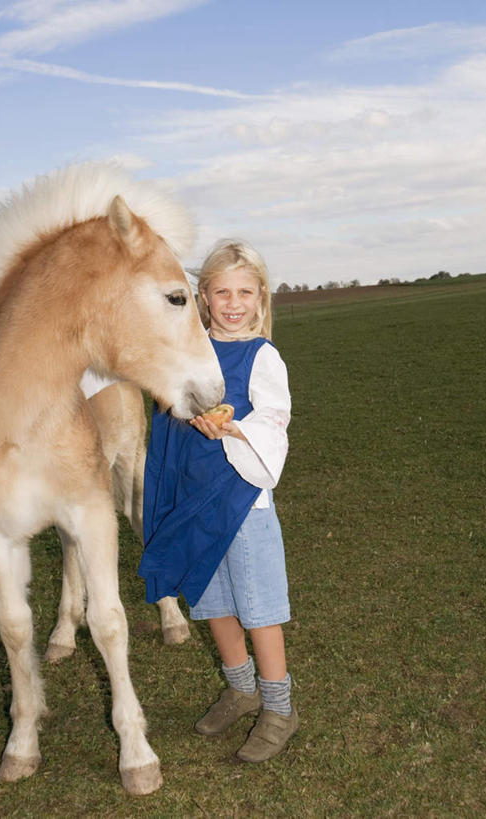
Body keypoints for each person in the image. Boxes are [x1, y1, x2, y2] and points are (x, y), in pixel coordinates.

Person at [139, 239, 297, 762]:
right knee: (212, 601)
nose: (233, 303)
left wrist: (233, 429)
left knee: (258, 609)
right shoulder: (190, 349)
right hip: (192, 496)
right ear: (203, 297)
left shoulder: (261, 356)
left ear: (260, 297)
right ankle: (241, 688)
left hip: (240, 501)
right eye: (222, 292)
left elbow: (274, 419)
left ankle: (279, 708)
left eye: (244, 293)